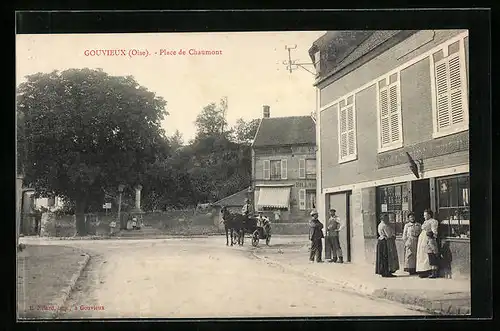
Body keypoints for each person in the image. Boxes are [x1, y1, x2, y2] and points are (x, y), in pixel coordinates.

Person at [416, 209, 439, 278]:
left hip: (428, 238)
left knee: (427, 255)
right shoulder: (425, 221)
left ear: (429, 215)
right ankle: (422, 270)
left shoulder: (433, 221)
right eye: (424, 215)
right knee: (422, 255)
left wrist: (432, 237)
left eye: (425, 215)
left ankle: (428, 270)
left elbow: (434, 231)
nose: (424, 216)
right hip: (422, 239)